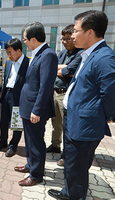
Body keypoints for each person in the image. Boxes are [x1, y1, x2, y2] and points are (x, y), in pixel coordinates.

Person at [48, 10, 115, 200]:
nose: (72, 35)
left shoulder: (104, 58)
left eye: (76, 31)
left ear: (89, 32)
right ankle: (68, 193)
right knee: (71, 163)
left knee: (77, 165)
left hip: (85, 123)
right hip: (75, 119)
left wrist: (105, 116)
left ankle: (75, 196)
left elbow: (110, 94)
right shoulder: (89, 54)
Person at [14, 21, 58, 186]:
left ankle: (36, 175)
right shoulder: (37, 53)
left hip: (35, 109)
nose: (24, 42)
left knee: (36, 142)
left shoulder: (48, 55)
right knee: (29, 139)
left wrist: (37, 110)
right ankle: (30, 165)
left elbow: (46, 86)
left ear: (33, 39)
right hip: (28, 106)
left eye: (25, 39)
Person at [46, 25, 84, 163]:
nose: (65, 41)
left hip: (67, 94)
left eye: (68, 38)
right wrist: (64, 69)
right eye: (63, 39)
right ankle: (55, 145)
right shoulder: (62, 53)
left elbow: (70, 70)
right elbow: (55, 68)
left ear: (73, 38)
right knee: (55, 123)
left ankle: (66, 154)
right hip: (55, 93)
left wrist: (65, 70)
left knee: (67, 125)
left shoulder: (80, 53)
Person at [0, 38, 29, 157]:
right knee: (3, 121)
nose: (8, 55)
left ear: (18, 51)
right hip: (7, 94)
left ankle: (13, 146)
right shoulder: (8, 62)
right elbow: (6, 79)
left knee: (16, 123)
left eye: (10, 52)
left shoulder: (28, 63)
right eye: (7, 52)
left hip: (19, 96)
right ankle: (3, 142)